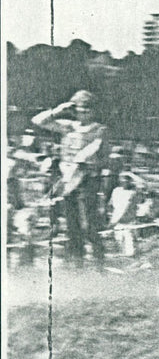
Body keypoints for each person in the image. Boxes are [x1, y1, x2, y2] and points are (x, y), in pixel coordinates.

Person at [31, 90, 107, 265]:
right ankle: (76, 261)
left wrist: (80, 161)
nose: (83, 112)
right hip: (67, 178)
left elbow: (94, 149)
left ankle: (98, 261)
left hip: (87, 177)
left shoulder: (99, 129)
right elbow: (38, 121)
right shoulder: (67, 126)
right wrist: (59, 109)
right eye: (80, 109)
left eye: (87, 109)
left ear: (94, 110)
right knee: (71, 224)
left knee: (89, 223)